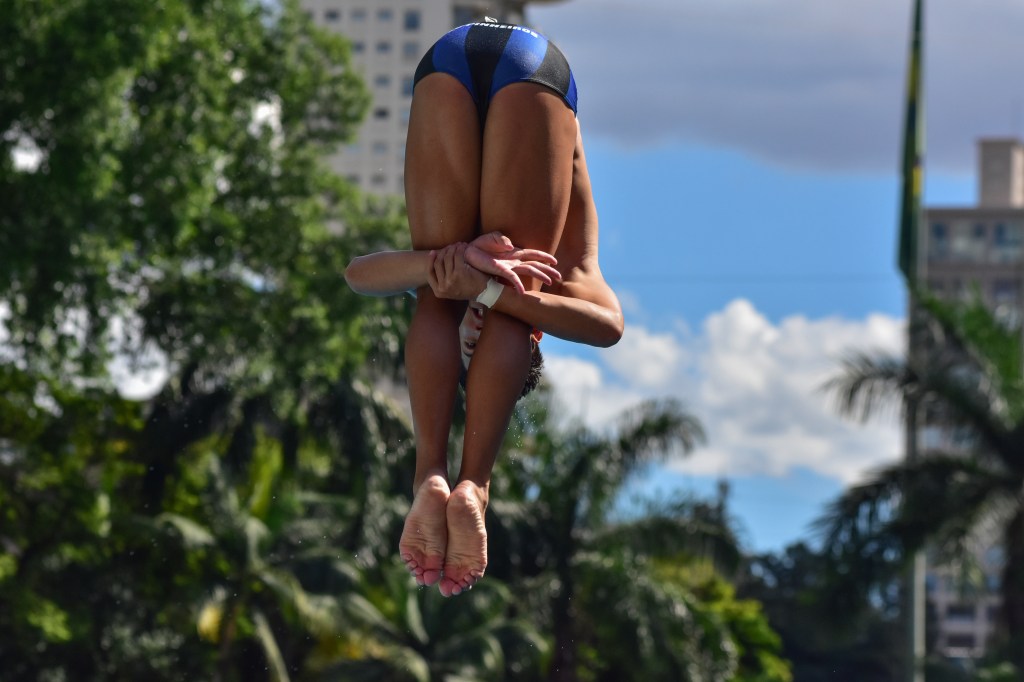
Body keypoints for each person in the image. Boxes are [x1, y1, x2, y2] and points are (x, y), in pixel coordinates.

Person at [344, 19, 622, 597]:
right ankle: (475, 484)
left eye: (465, 345)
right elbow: (609, 327)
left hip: (449, 59)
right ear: (537, 343)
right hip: (534, 71)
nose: (473, 323)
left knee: (435, 297)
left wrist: (453, 263)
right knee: (513, 295)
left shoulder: (448, 285)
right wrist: (499, 294)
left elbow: (357, 274)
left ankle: (430, 475)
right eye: (479, 337)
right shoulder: (563, 282)